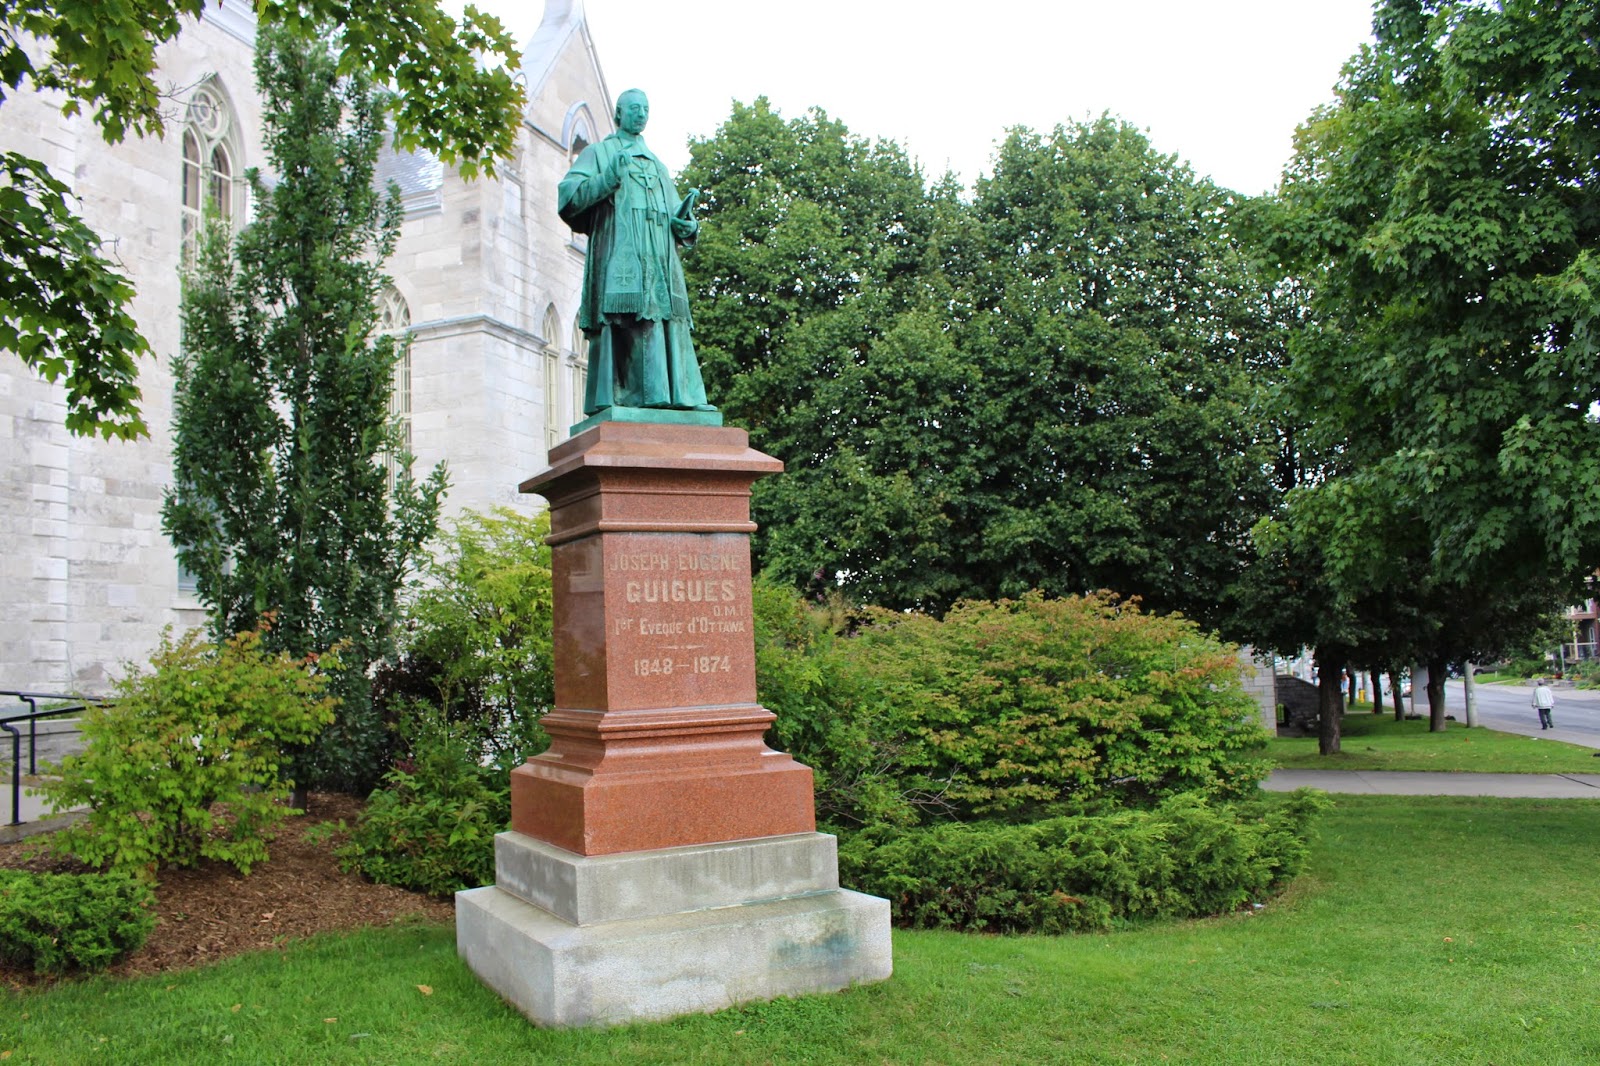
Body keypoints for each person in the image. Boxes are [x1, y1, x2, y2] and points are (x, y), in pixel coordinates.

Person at [558, 89, 714, 415]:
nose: (641, 114)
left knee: (659, 321)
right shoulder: (600, 154)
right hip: (619, 257)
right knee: (623, 322)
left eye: (645, 109)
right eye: (634, 108)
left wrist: (686, 226)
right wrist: (608, 179)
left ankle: (669, 396)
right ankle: (623, 397)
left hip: (658, 263)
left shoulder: (657, 166)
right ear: (619, 114)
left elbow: (676, 213)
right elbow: (568, 198)